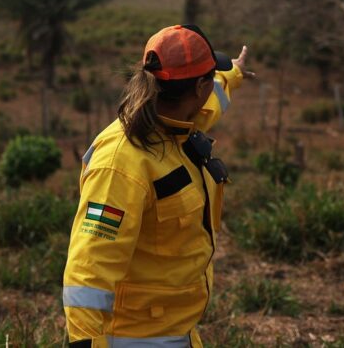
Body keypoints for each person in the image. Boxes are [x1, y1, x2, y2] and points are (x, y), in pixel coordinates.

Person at [63, 25, 251, 347]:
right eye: (210, 78)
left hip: (177, 331)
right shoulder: (120, 165)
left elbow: (209, 105)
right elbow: (89, 271)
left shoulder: (175, 123)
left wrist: (231, 74)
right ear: (198, 87)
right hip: (135, 339)